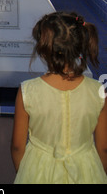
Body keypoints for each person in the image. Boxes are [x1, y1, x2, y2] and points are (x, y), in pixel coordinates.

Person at [11, 11, 107, 184]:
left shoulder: (27, 91)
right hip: (86, 170)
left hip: (37, 170)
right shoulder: (98, 91)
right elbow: (104, 147)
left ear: (44, 50)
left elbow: (17, 146)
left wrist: (23, 171)